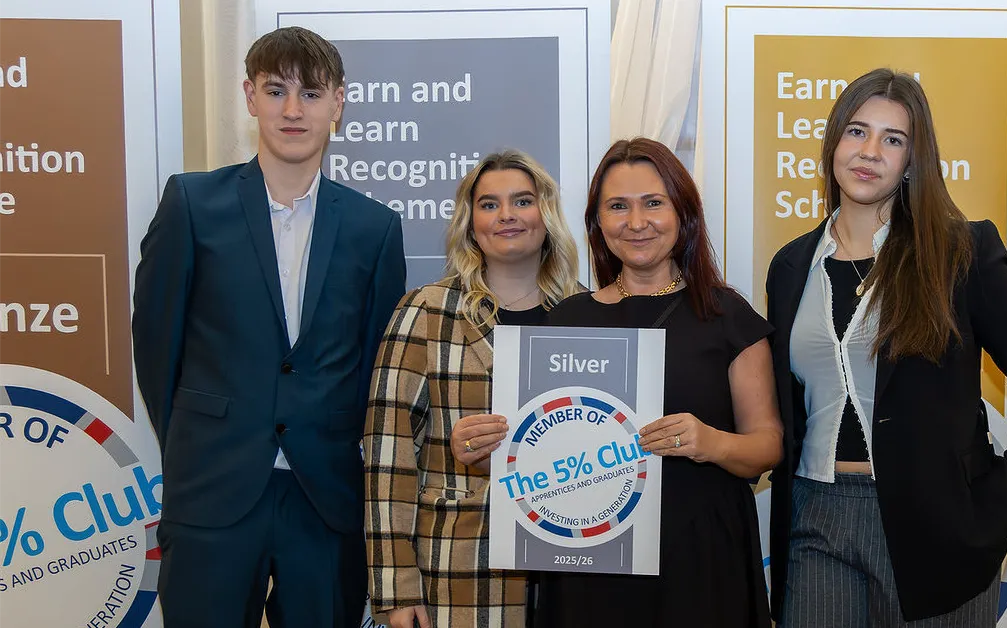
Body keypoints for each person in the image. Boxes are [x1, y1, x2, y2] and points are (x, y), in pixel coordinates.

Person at [765, 68, 1007, 627]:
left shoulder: (960, 251)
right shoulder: (791, 267)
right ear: (834, 140)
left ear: (913, 160)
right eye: (857, 131)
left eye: (893, 139)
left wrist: (1004, 504)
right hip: (816, 517)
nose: (870, 152)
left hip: (939, 528)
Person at [132, 27, 407, 628]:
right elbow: (157, 346)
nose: (292, 110)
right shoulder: (191, 203)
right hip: (212, 491)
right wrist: (200, 436)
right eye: (276, 90)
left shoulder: (375, 228)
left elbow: (375, 367)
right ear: (250, 96)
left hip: (326, 498)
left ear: (338, 104)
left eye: (310, 94)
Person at [528, 137, 782, 628]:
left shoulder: (728, 316)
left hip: (701, 556)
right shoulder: (565, 321)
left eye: (653, 203)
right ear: (598, 223)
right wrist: (492, 443)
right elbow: (540, 442)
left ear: (682, 212)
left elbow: (767, 445)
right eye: (617, 206)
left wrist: (708, 442)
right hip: (591, 562)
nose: (636, 222)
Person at [364, 150, 582, 628]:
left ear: (546, 215)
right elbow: (389, 453)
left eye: (522, 201)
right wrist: (396, 588)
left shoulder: (584, 314)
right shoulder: (427, 310)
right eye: (489, 204)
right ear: (470, 222)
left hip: (574, 570)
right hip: (461, 565)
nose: (506, 215)